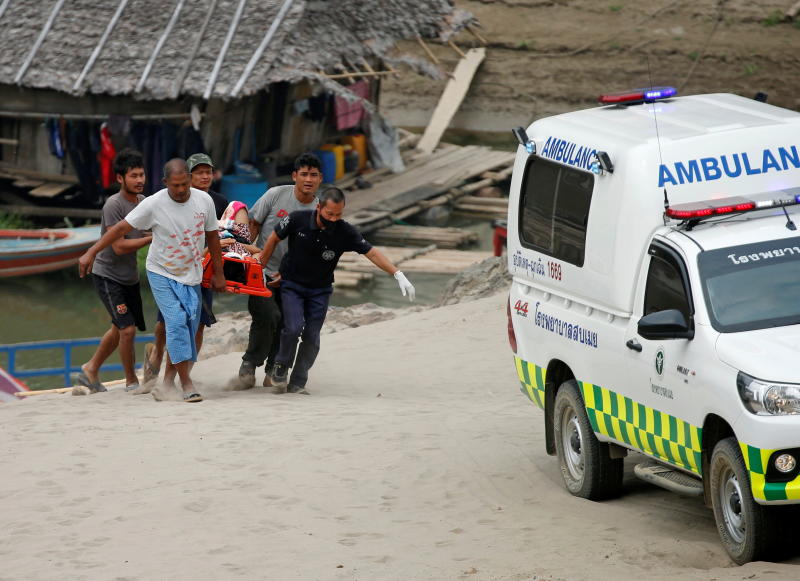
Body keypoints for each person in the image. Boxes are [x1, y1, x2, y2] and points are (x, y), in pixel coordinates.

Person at [78, 158, 225, 402]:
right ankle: (186, 383)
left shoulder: (204, 201)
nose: (180, 190)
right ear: (165, 182)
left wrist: (219, 272)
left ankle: (167, 382)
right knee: (176, 321)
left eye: (184, 184)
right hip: (161, 272)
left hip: (191, 273)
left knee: (189, 326)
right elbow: (118, 229)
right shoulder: (154, 203)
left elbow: (212, 238)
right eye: (175, 185)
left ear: (189, 180)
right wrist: (91, 252)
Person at [259, 187, 415, 395]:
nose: (333, 219)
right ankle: (280, 365)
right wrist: (261, 267)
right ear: (318, 207)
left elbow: (372, 253)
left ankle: (298, 382)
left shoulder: (345, 231)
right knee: (293, 327)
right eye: (329, 214)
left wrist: (397, 274)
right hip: (292, 285)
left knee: (312, 336)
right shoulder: (297, 219)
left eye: (339, 214)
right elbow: (273, 238)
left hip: (320, 290)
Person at [234, 152, 323, 389]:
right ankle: (250, 363)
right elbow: (253, 224)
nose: (308, 179)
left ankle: (275, 368)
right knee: (267, 316)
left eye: (313, 175)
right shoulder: (275, 195)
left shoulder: (319, 211)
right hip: (261, 270)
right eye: (303, 174)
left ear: (320, 179)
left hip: (293, 278)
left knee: (289, 323)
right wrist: (247, 257)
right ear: (294, 176)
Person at [143, 153, 228, 390]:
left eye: (207, 172)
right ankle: (157, 357)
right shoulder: (167, 200)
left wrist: (219, 269)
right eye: (199, 172)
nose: (204, 176)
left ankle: (180, 374)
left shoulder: (217, 202)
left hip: (202, 271)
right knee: (167, 323)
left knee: (196, 323)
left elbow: (230, 232)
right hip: (170, 271)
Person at [72, 149, 152, 394]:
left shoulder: (144, 202)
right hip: (108, 275)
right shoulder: (113, 205)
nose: (139, 180)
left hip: (129, 277)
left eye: (142, 174)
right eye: (133, 176)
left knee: (119, 327)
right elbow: (118, 247)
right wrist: (152, 239)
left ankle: (91, 368)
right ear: (120, 178)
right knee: (126, 329)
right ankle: (131, 382)